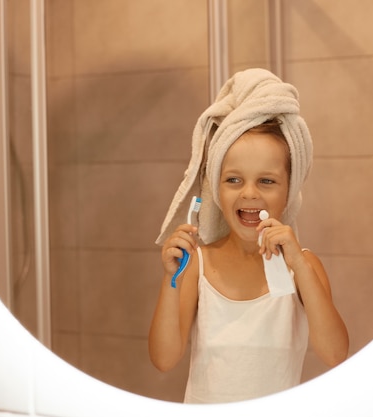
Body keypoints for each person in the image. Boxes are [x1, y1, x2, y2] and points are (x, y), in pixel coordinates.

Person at [148, 69, 349, 404]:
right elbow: (164, 359)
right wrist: (170, 280)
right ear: (216, 187)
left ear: (289, 190)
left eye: (267, 181)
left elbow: (335, 354)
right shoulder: (197, 263)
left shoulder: (303, 266)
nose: (249, 194)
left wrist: (298, 263)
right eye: (234, 180)